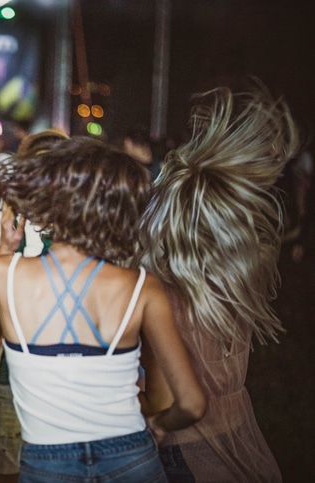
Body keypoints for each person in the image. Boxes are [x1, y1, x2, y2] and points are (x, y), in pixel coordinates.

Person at [0, 136, 206, 482]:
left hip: (47, 462)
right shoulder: (142, 286)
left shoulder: (3, 272)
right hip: (132, 456)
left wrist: (6, 250)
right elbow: (191, 404)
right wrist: (158, 424)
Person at [136, 84, 299, 481]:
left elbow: (168, 403)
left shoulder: (161, 295)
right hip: (237, 436)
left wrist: (151, 423)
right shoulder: (237, 280)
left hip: (184, 452)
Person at [0, 128, 68, 483]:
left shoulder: (84, 229)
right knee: (6, 474)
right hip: (5, 377)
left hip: (65, 378)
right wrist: (5, 251)